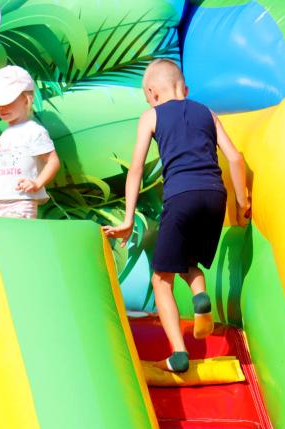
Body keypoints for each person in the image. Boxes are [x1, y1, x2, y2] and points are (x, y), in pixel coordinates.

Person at [103, 59, 251, 373]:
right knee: (187, 264)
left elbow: (136, 169)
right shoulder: (207, 113)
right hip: (215, 196)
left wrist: (128, 219)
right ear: (185, 88)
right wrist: (243, 201)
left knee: (161, 280)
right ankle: (200, 296)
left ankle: (178, 354)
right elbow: (235, 158)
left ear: (152, 93)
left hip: (181, 196)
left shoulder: (151, 116)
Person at [0, 65, 60, 219]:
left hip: (22, 201)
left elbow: (53, 161)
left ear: (26, 99)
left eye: (7, 101)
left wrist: (37, 183)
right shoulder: (4, 135)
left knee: (20, 233)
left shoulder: (34, 131)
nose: (1, 108)